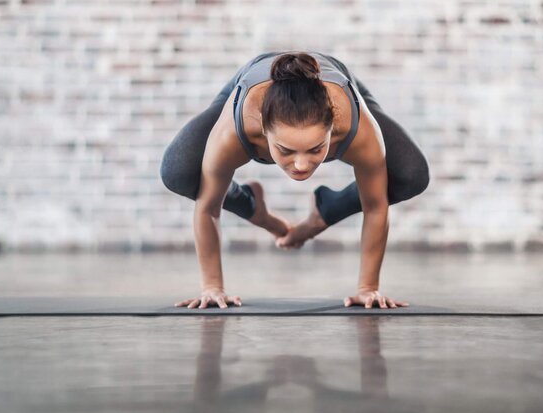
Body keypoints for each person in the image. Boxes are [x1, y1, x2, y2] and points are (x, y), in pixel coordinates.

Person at [160, 51, 430, 310]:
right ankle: (254, 207)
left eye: (315, 149)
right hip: (251, 78)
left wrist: (368, 287)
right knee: (177, 172)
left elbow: (375, 206)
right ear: (263, 132)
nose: (301, 165)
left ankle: (326, 209)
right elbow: (208, 207)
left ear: (332, 128)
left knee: (411, 175)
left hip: (336, 81)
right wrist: (212, 287)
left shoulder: (358, 129)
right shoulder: (234, 131)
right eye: (286, 151)